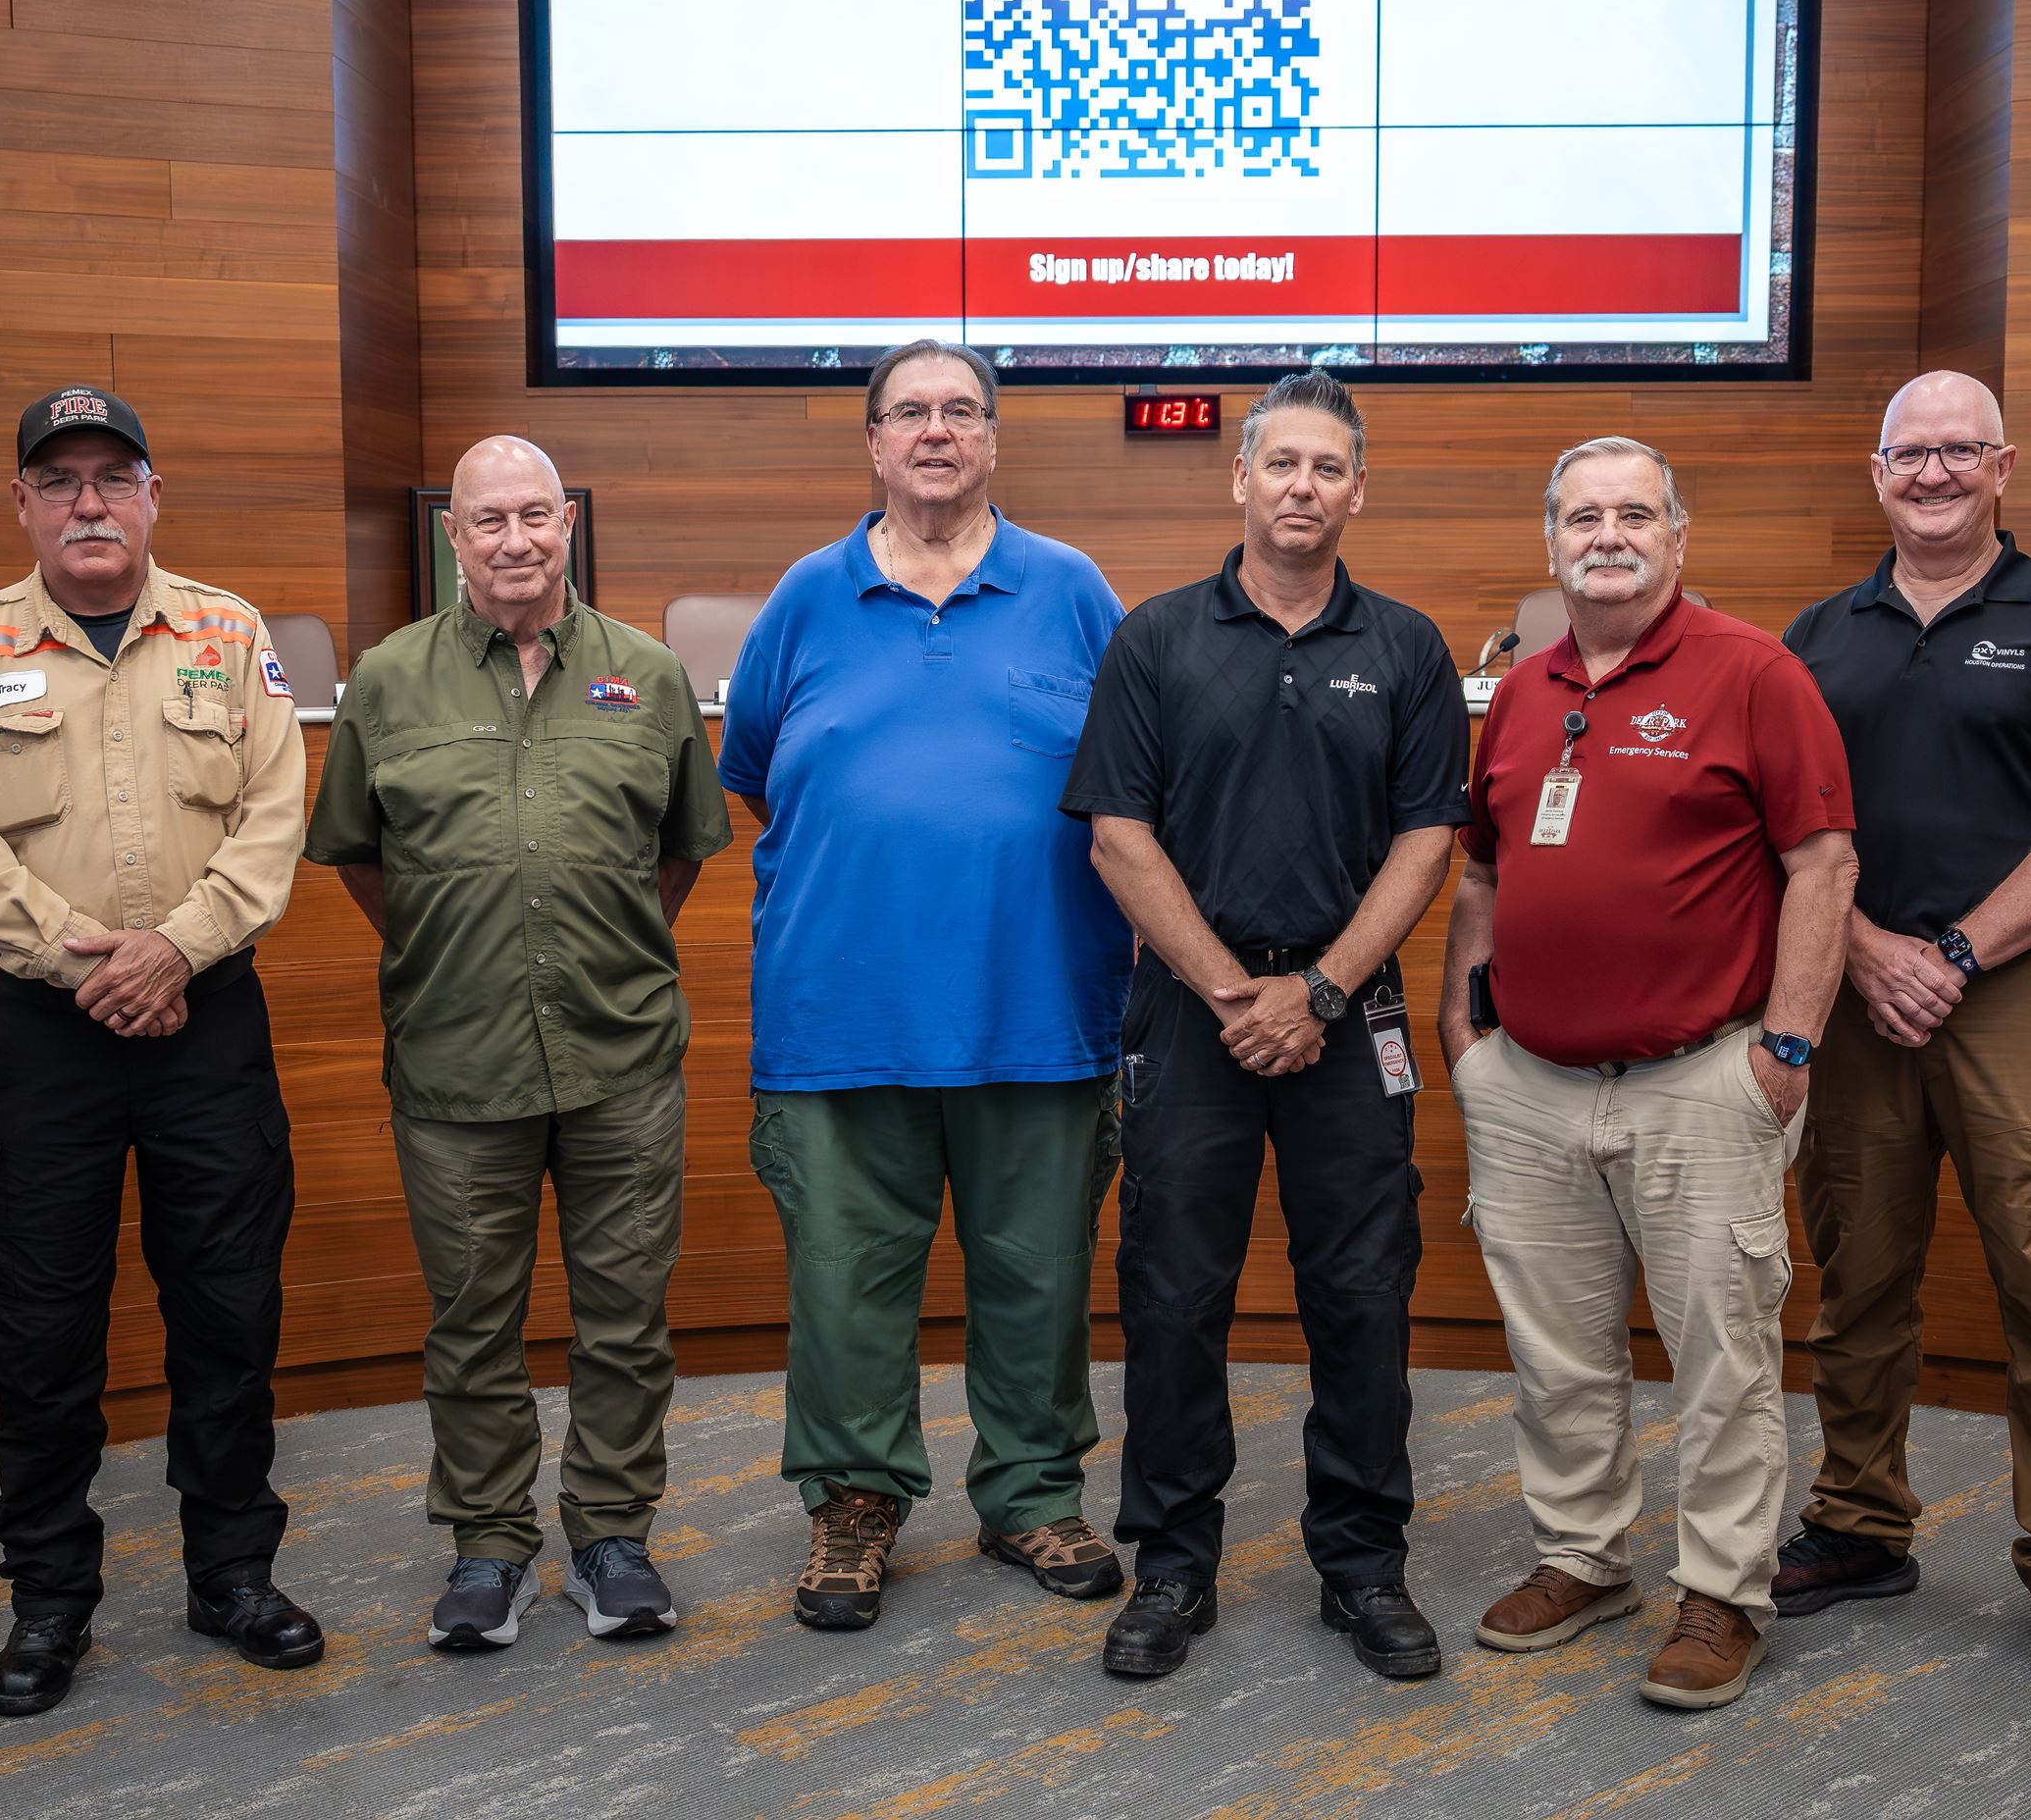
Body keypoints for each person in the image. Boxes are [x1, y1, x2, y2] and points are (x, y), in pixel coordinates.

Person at [0, 385, 322, 1717]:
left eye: (112, 476)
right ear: (23, 504)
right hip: (48, 1029)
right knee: (40, 1323)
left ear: (153, 497)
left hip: (208, 1016)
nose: (88, 500)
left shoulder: (229, 630)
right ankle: (50, 1600)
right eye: (60, 478)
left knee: (227, 1307)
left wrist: (174, 949)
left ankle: (232, 1574)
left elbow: (273, 815)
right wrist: (92, 959)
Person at [1064, 368, 1470, 1682]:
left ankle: (1363, 1563)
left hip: (1354, 1018)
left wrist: (1325, 993)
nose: (1303, 488)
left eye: (1328, 469)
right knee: (1173, 1296)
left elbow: (1426, 842)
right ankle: (1174, 1565)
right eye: (1281, 464)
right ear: (1240, 479)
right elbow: (1119, 838)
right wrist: (1238, 994)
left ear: (1358, 489)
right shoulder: (1157, 639)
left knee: (1361, 1294)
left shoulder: (1404, 647)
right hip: (1192, 1019)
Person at [720, 341, 1133, 1632]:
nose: (937, 431)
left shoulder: (1072, 592)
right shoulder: (805, 595)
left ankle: (1030, 1489)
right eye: (912, 411)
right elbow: (749, 781)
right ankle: (855, 1503)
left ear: (995, 439)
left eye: (962, 410)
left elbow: (1131, 784)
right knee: (846, 1284)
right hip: (841, 1018)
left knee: (1039, 1274)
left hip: (1041, 1006)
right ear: (874, 442)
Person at [1441, 437, 1857, 1711]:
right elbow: (1482, 872)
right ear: (1551, 542)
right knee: (1558, 1351)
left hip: (1703, 1078)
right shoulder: (1521, 693)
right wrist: (1467, 1040)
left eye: (1634, 514)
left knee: (1722, 1353)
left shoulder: (1755, 673)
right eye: (1582, 516)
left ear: (1678, 537)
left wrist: (1785, 1047)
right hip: (1533, 1085)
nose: (1607, 535)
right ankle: (1583, 1557)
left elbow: (1824, 863)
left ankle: (1724, 1590)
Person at [304, 436, 732, 1652]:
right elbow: (359, 860)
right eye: (487, 520)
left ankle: (610, 1537)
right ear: (454, 535)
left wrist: (599, 948)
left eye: (534, 516)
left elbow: (681, 851)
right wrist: (456, 952)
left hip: (621, 1058)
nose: (514, 541)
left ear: (567, 522)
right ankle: (488, 1547)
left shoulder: (647, 676)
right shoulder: (387, 682)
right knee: (473, 1322)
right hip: (456, 1061)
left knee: (625, 1316)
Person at [1777, 372, 2031, 1692]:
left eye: (1958, 452)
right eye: (1908, 454)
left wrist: (1951, 953)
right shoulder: (1818, 635)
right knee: (1857, 1278)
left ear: (2003, 467)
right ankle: (1862, 1522)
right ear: (1878, 474)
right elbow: (1787, 832)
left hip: (2023, 997)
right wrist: (1877, 954)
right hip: (1861, 992)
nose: (1931, 474)